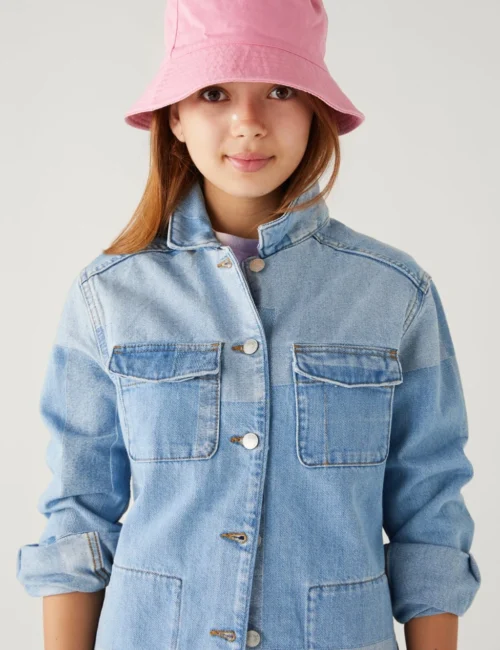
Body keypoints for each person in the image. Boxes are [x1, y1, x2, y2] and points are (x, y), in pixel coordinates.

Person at [16, 1, 481, 649]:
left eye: (281, 91)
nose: (249, 122)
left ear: (315, 110)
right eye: (214, 93)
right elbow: (79, 511)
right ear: (175, 116)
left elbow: (429, 513)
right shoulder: (109, 295)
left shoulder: (394, 293)